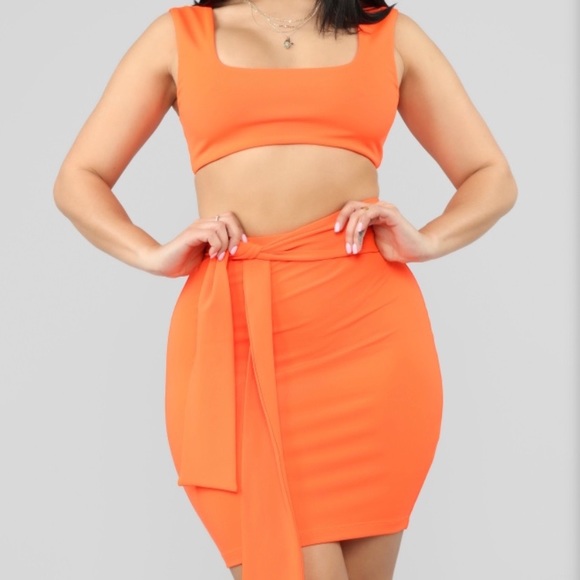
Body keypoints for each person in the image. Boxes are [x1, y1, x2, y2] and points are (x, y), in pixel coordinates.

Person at [53, 0, 517, 578]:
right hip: (236, 337)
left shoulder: (387, 33)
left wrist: (427, 240)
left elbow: (491, 176)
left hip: (370, 339)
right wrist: (150, 252)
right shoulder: (181, 36)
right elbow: (79, 178)